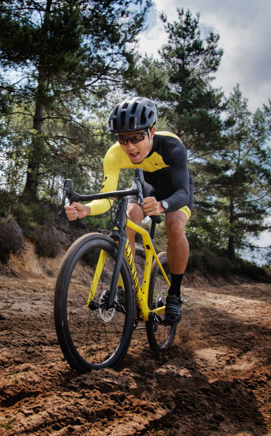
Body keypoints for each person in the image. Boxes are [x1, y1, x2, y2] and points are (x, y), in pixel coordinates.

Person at [64, 96, 193, 324]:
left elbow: (183, 191)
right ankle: (127, 290)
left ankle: (175, 293)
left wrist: (163, 205)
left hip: (175, 190)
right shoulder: (114, 155)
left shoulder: (172, 146)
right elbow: (107, 199)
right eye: (123, 139)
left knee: (174, 226)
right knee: (128, 218)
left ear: (151, 132)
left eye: (136, 138)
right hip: (146, 186)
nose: (130, 146)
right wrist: (86, 209)